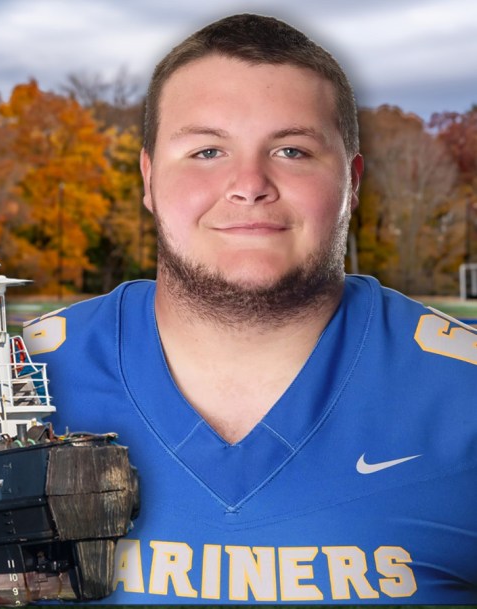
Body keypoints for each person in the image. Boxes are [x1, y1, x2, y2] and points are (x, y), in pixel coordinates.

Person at [24, 13, 477, 604]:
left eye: (291, 149)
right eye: (207, 150)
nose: (249, 183)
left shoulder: (462, 397)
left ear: (353, 181)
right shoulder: (2, 384)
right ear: (149, 178)